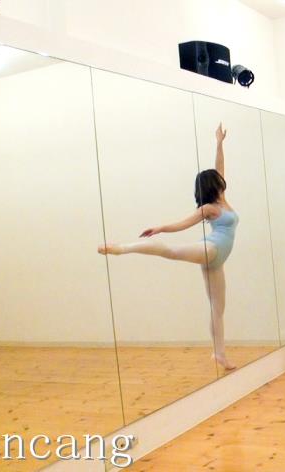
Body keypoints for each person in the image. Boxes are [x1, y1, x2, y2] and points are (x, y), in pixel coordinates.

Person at [98, 124, 238, 370]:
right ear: (213, 185)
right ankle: (121, 248)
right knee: (171, 252)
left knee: (218, 308)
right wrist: (160, 228)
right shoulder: (209, 209)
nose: (221, 180)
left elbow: (220, 168)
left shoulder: (223, 200)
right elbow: (183, 223)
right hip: (211, 249)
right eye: (218, 181)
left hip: (218, 261)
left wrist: (219, 143)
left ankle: (219, 354)